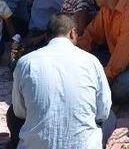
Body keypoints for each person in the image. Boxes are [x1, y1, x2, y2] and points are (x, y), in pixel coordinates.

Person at [8, 14, 116, 149]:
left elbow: (19, 111)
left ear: (47, 37)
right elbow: (103, 111)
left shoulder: (26, 62)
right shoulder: (92, 61)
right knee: (110, 117)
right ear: (73, 33)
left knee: (12, 113)